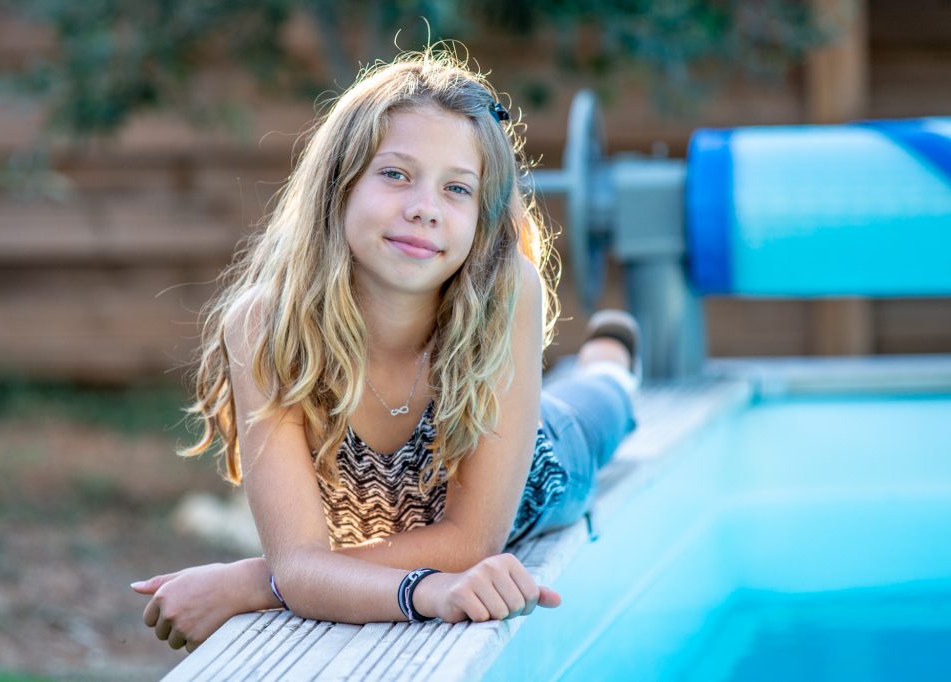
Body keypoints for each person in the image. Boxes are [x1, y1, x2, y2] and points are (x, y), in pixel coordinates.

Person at [131, 46, 638, 653]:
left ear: (483, 215)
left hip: (548, 464)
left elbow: (468, 544)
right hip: (382, 536)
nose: (424, 208)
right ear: (338, 185)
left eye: (458, 189)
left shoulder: (508, 290)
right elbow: (299, 565)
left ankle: (611, 359)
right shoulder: (266, 329)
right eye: (395, 174)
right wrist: (401, 588)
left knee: (603, 405)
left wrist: (254, 580)